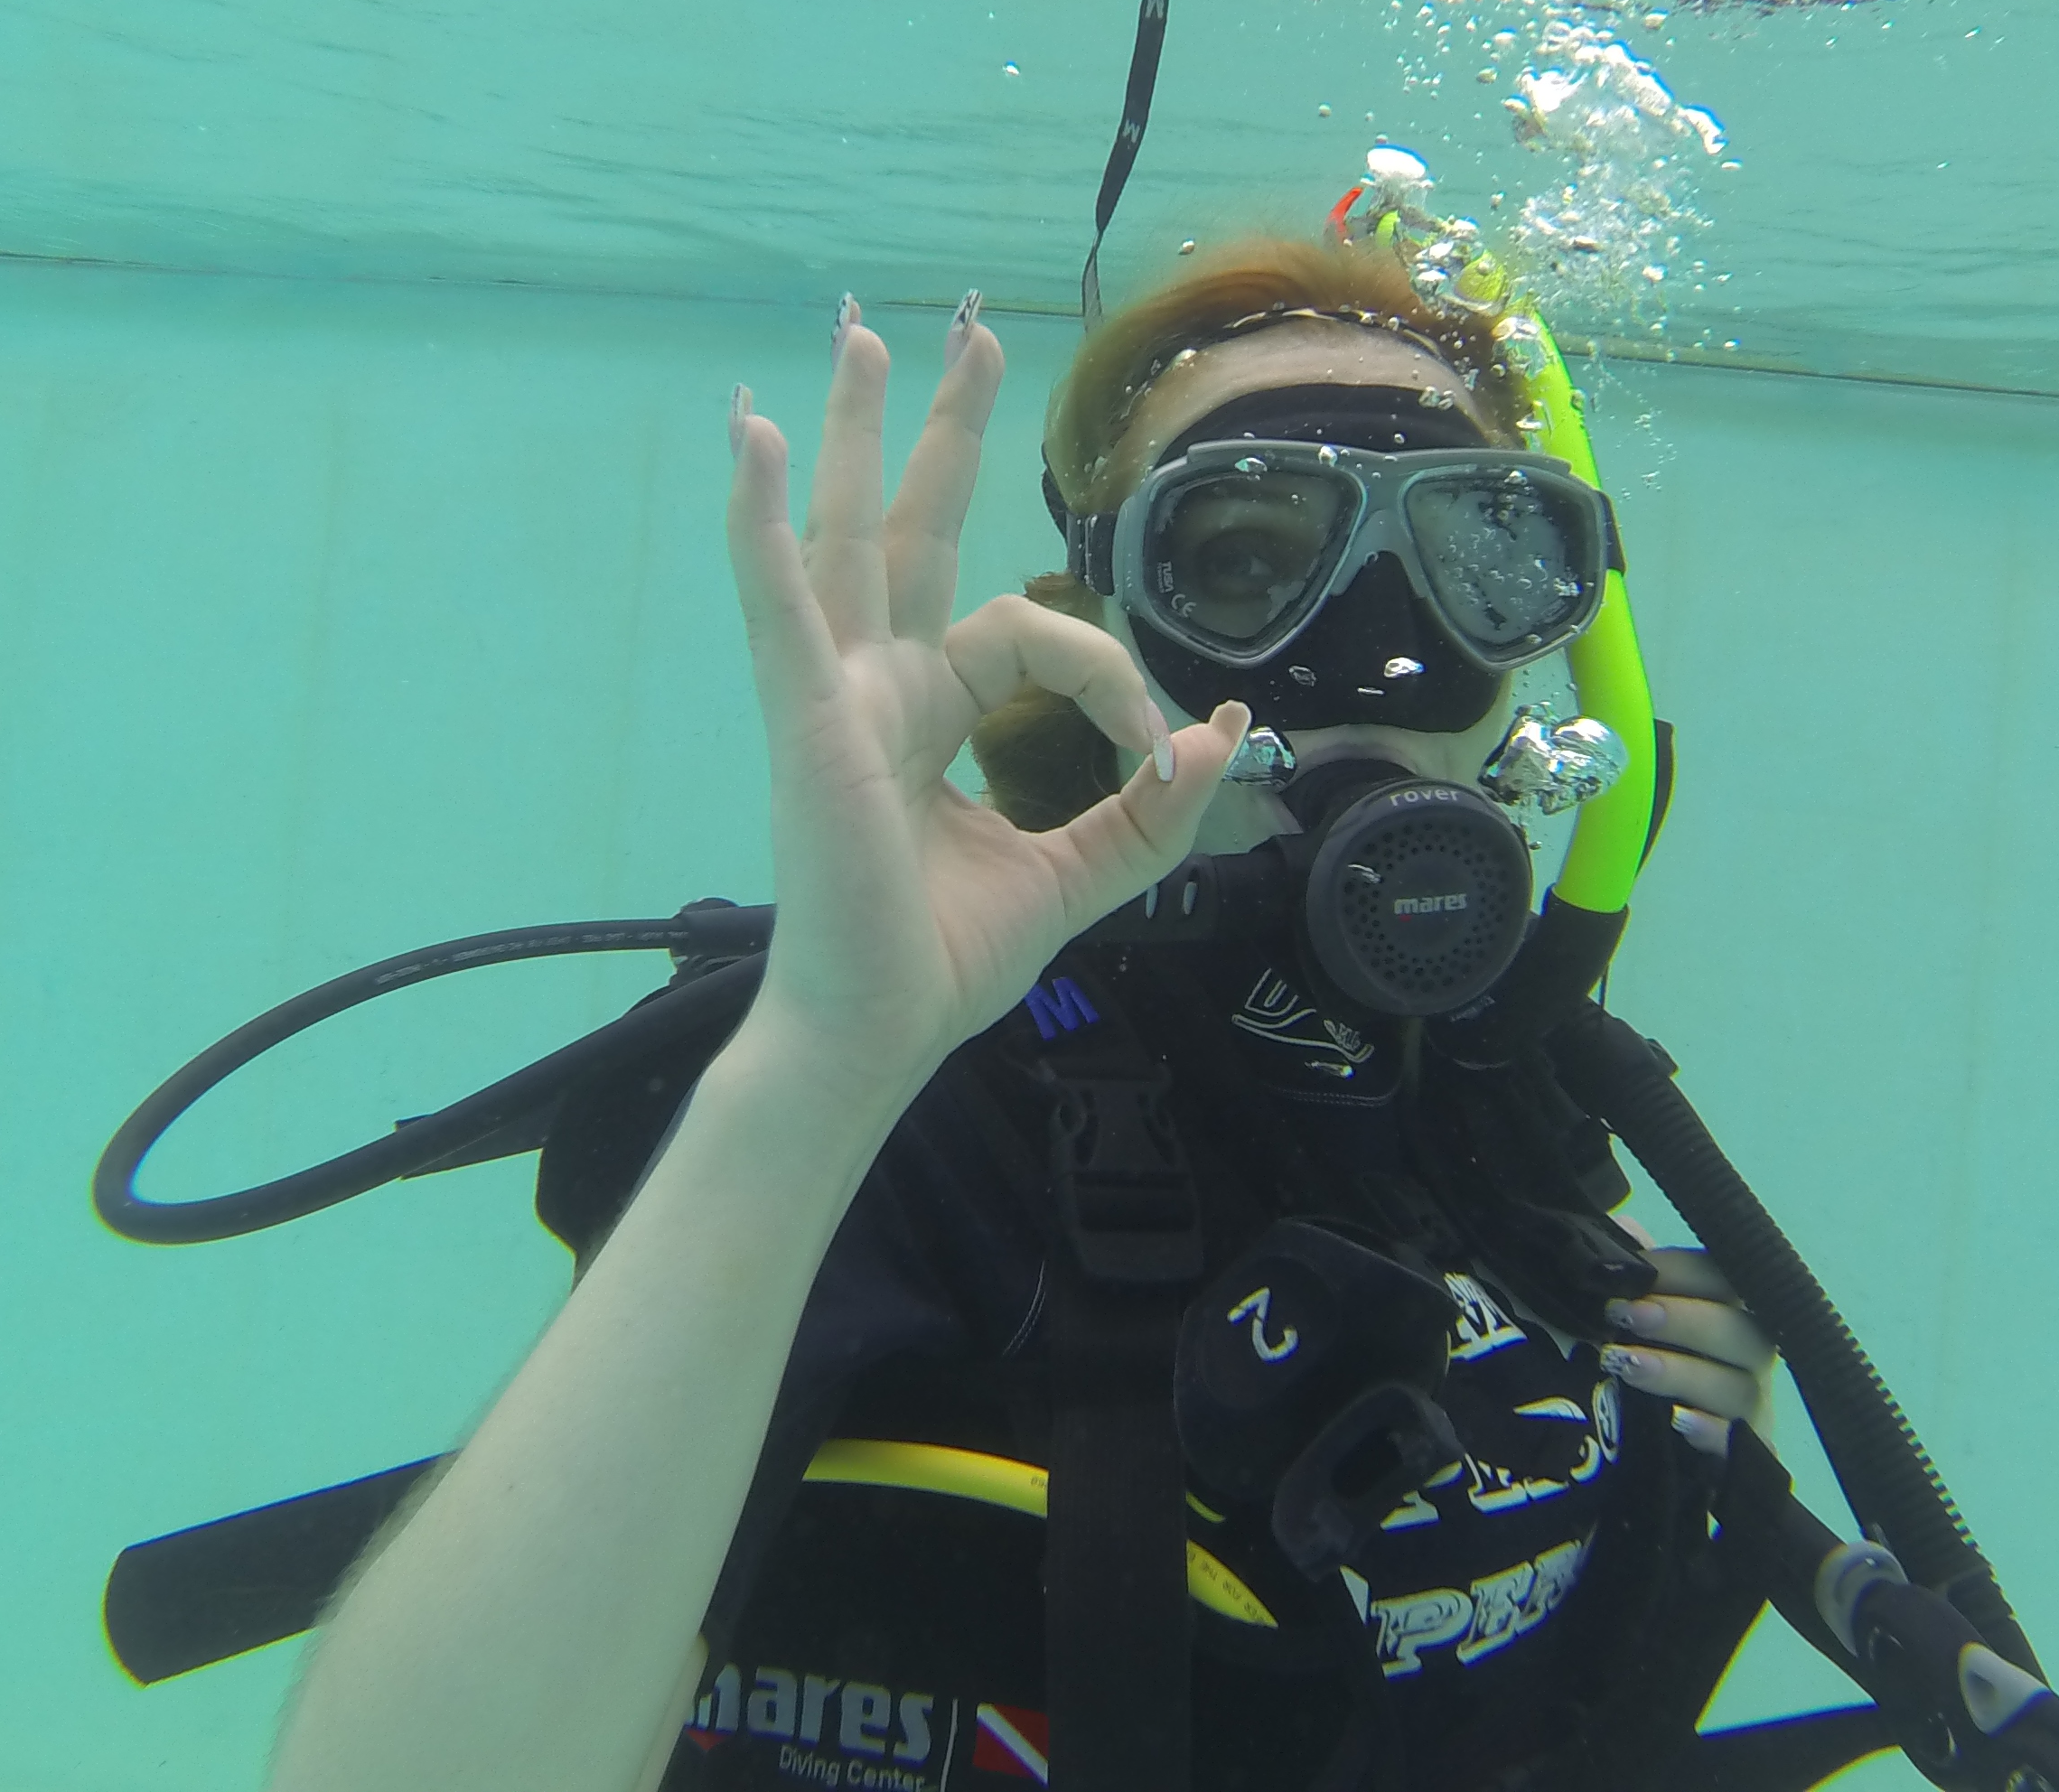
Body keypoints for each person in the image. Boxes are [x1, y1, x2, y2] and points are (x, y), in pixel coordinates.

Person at [267, 238, 1780, 1792]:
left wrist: (1652, 1432)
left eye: (1480, 555)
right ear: (1101, 625)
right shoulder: (922, 1108)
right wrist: (821, 1065)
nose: (1380, 658)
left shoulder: (1505, 1097)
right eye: (1242, 558)